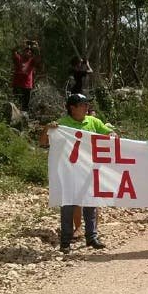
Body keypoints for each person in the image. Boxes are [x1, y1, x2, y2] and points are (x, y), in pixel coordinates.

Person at [40, 93, 111, 254]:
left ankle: (91, 237)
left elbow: (109, 134)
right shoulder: (62, 124)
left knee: (90, 204)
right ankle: (65, 241)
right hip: (68, 172)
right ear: (72, 108)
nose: (87, 107)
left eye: (87, 105)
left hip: (89, 170)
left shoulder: (93, 122)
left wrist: (112, 134)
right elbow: (43, 142)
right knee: (68, 206)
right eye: (83, 105)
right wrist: (47, 129)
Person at [11, 39, 41, 111]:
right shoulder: (19, 58)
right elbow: (13, 51)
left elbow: (38, 57)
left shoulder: (32, 61)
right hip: (17, 85)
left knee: (25, 106)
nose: (28, 52)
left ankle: (24, 116)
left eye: (30, 52)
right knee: (16, 104)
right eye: (27, 51)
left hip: (27, 87)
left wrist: (37, 48)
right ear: (23, 52)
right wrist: (20, 44)